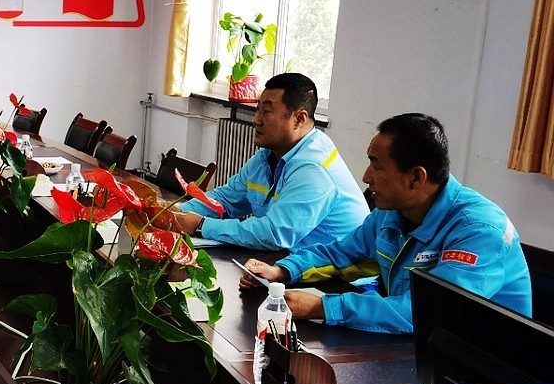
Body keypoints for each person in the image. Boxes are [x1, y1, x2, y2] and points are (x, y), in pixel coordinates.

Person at [241, 113, 532, 333]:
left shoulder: (479, 230)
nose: (366, 177)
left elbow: (428, 311)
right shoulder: (392, 211)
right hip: (420, 346)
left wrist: (324, 307)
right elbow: (339, 251)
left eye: (376, 165)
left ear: (416, 177)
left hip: (487, 373)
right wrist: (282, 270)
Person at [169, 72, 368, 252]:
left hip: (334, 275)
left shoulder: (314, 169)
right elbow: (226, 199)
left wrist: (200, 225)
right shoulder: (268, 155)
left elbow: (273, 233)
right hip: (288, 262)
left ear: (299, 119)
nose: (256, 120)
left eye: (266, 112)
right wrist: (175, 211)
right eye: (257, 110)